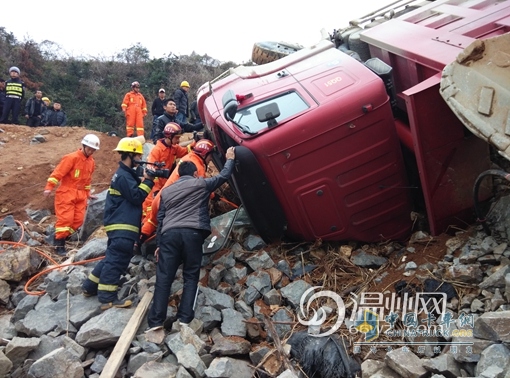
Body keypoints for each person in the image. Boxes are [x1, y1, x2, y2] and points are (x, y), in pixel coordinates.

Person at [147, 147, 236, 329]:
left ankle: (156, 322)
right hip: (192, 234)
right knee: (190, 275)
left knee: (164, 277)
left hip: (169, 235)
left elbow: (161, 219)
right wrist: (230, 158)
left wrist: (160, 244)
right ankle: (184, 319)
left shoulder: (167, 192)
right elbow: (224, 176)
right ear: (195, 173)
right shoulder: (200, 183)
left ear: (178, 175)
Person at [82, 137, 155, 310]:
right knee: (116, 260)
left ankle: (89, 286)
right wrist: (149, 181)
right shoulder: (123, 176)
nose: (139, 159)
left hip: (120, 225)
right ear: (130, 155)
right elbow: (136, 197)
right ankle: (108, 298)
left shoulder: (124, 174)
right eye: (137, 156)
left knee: (111, 257)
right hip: (123, 226)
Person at [140, 139, 215, 245]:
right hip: (169, 202)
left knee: (152, 221)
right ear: (205, 154)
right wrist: (213, 196)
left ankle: (138, 242)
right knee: (168, 228)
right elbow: (202, 188)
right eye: (210, 156)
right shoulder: (197, 166)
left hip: (160, 199)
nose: (211, 159)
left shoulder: (188, 158)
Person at [44, 134, 100, 255]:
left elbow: (87, 180)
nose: (91, 151)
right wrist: (49, 187)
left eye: (93, 150)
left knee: (78, 221)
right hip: (67, 193)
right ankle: (59, 245)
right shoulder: (71, 158)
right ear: (84, 146)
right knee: (66, 220)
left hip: (81, 195)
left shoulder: (91, 162)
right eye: (89, 148)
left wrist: (88, 193)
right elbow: (58, 173)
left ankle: (56, 237)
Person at [141, 123, 190, 221]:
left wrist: (196, 143)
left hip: (165, 186)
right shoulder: (157, 150)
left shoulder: (173, 148)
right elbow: (150, 169)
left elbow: (185, 151)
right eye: (176, 138)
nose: (178, 140)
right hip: (154, 187)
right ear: (169, 136)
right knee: (150, 211)